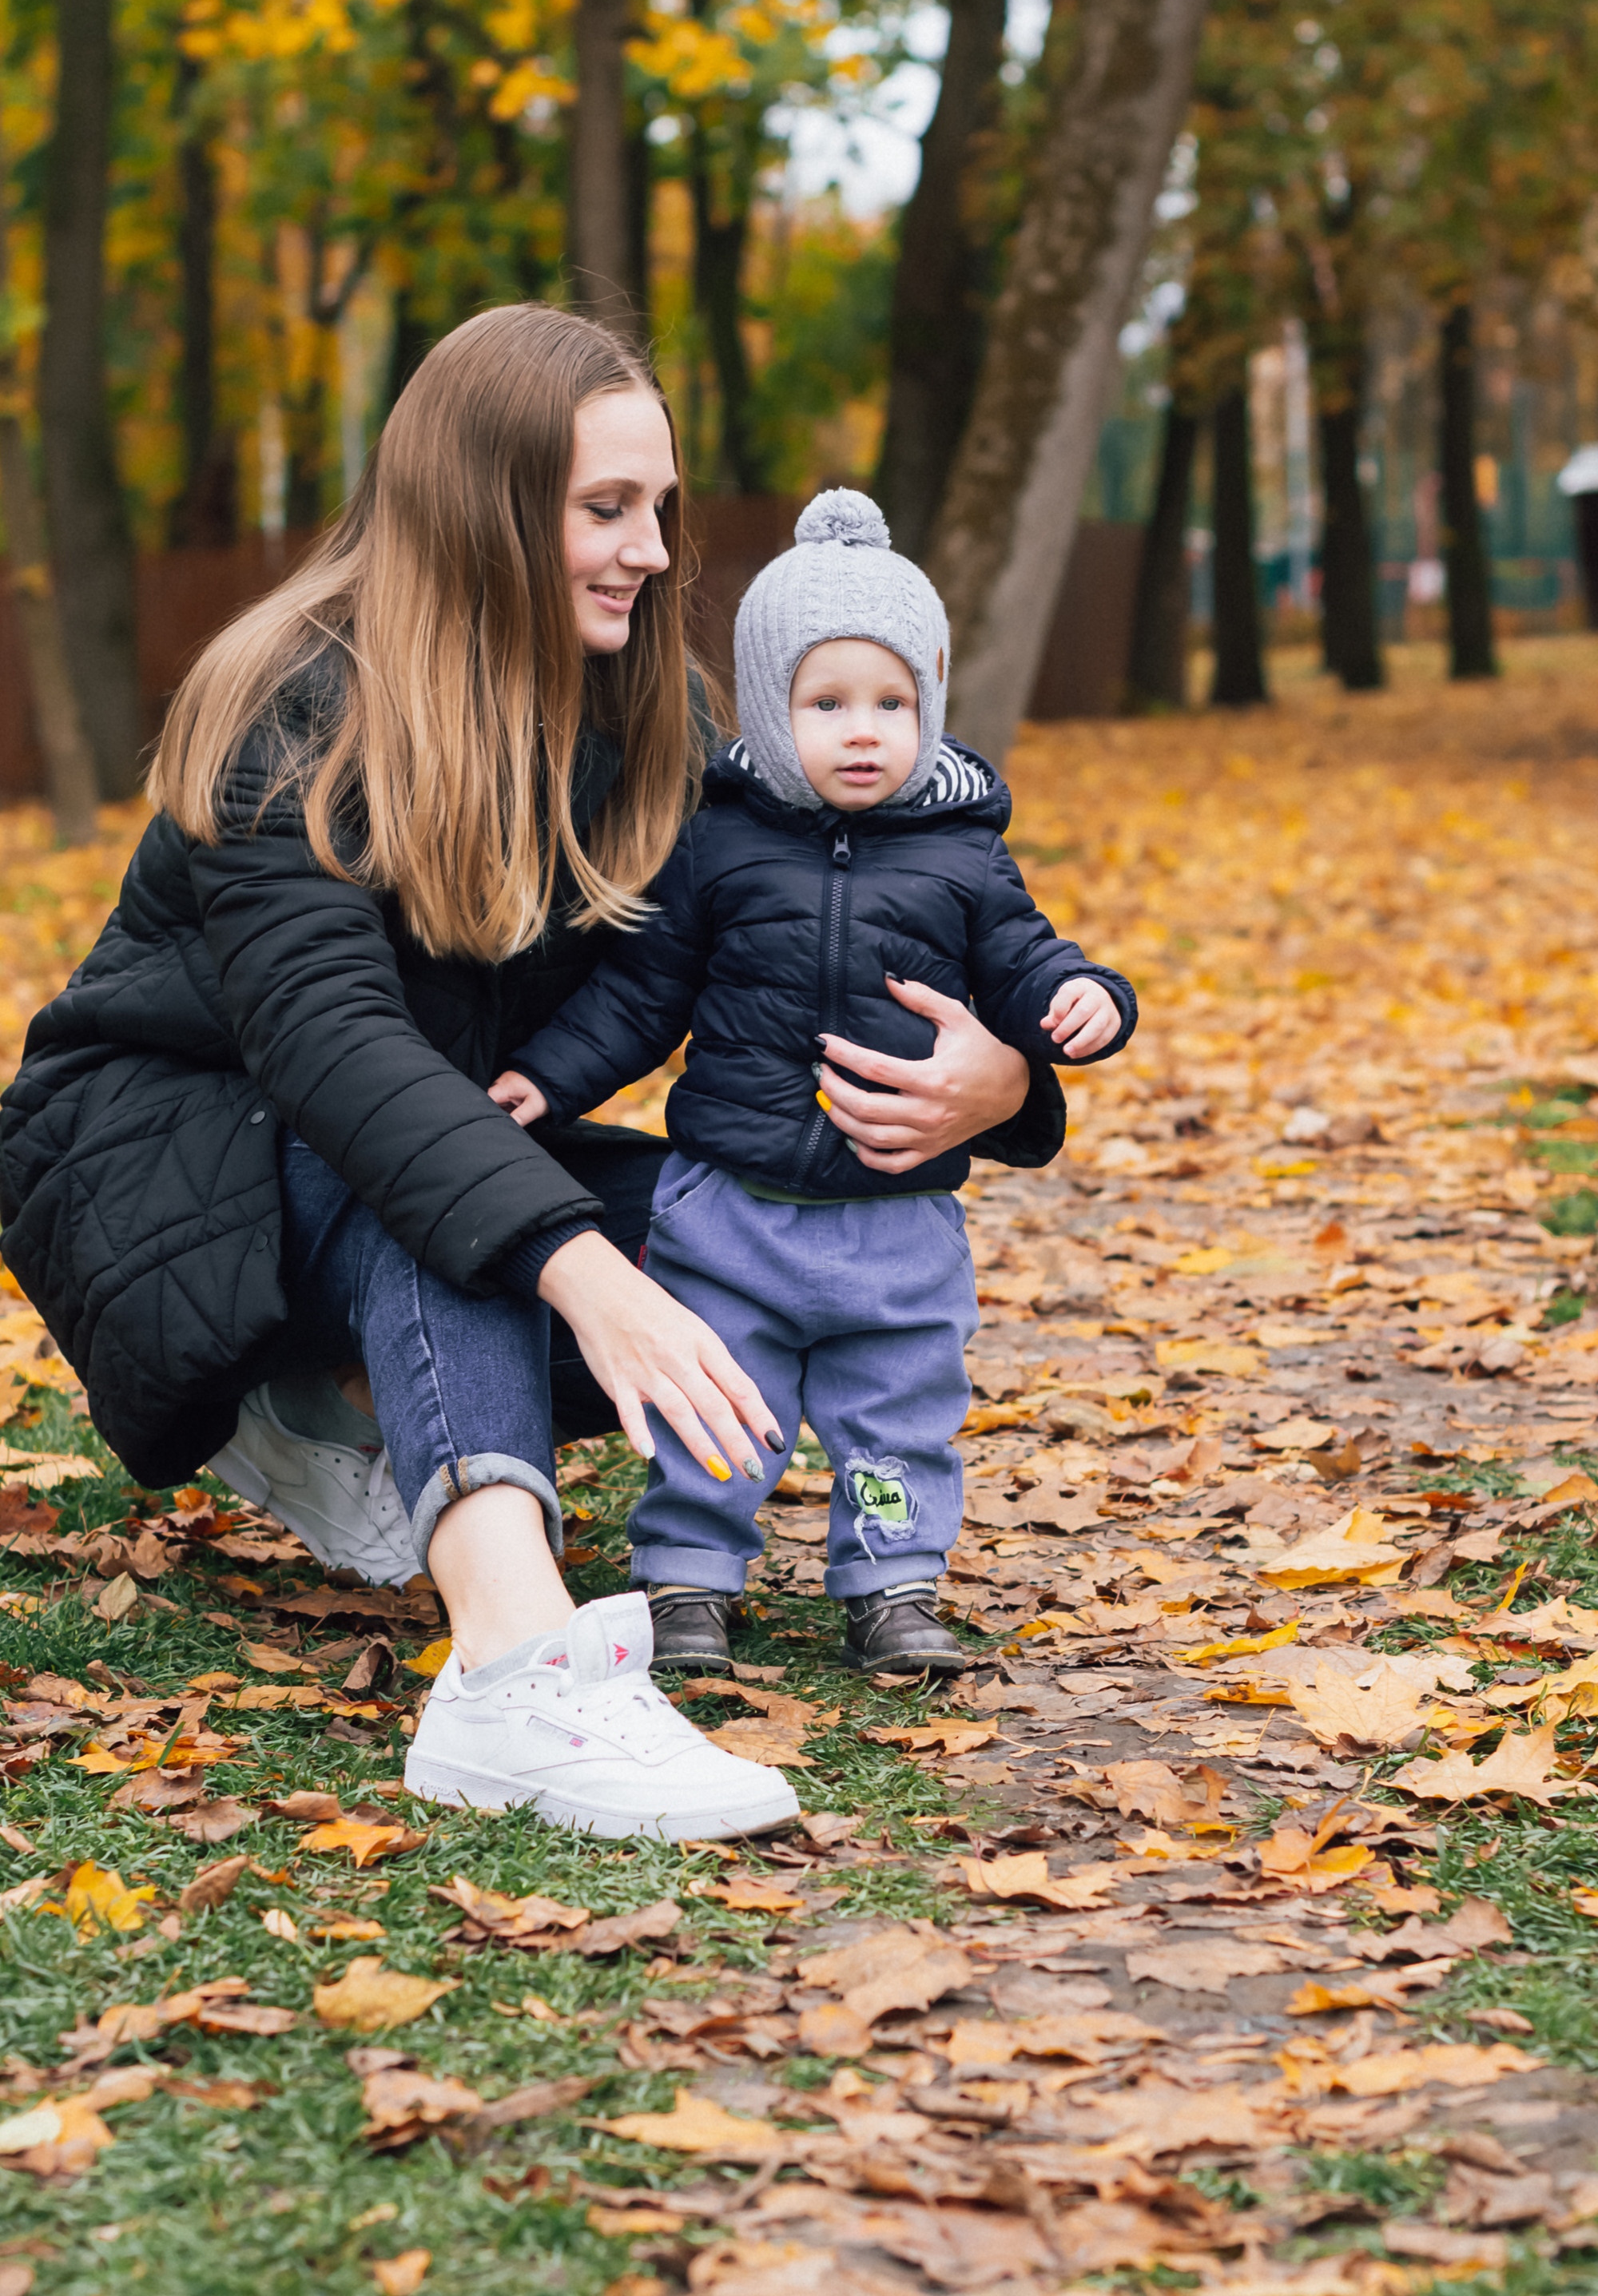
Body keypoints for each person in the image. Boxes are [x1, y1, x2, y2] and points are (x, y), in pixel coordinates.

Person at [0, 308, 1063, 1839]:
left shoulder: (643, 714)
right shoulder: (287, 709)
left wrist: (1008, 1089)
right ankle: (508, 1669)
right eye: (604, 509)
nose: (648, 549)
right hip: (170, 1162)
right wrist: (572, 1260)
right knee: (480, 1211)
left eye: (659, 510)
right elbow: (340, 1052)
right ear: (485, 505)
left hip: (406, 1145)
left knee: (719, 1236)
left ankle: (349, 1404)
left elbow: (810, 940)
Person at [490, 489, 1136, 1676]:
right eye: (828, 702)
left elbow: (1029, 965)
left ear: (930, 703)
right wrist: (548, 1079)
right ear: (772, 709)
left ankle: (892, 1588)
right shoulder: (718, 842)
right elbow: (644, 995)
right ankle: (689, 1582)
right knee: (718, 1406)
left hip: (898, 1218)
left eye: (893, 704)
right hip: (731, 1205)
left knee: (898, 1414)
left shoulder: (966, 855)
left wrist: (1087, 1002)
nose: (863, 732)